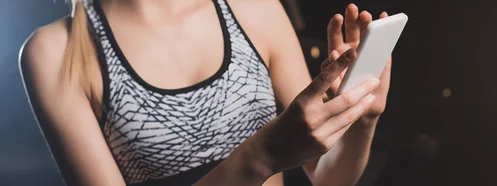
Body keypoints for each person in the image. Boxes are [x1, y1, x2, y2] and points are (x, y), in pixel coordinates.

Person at [20, 0, 392, 185]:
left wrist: (361, 120)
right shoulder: (57, 52)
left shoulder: (255, 8)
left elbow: (328, 178)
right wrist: (258, 157)